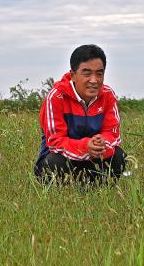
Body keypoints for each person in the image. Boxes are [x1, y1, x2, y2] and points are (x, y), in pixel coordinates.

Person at [34, 44, 126, 184]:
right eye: (87, 73)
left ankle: (100, 191)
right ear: (73, 75)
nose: (94, 80)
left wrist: (101, 143)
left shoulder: (108, 95)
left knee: (118, 156)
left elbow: (113, 134)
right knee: (55, 161)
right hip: (62, 161)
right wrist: (86, 146)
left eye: (99, 73)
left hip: (93, 159)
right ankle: (64, 194)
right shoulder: (56, 97)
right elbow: (55, 142)